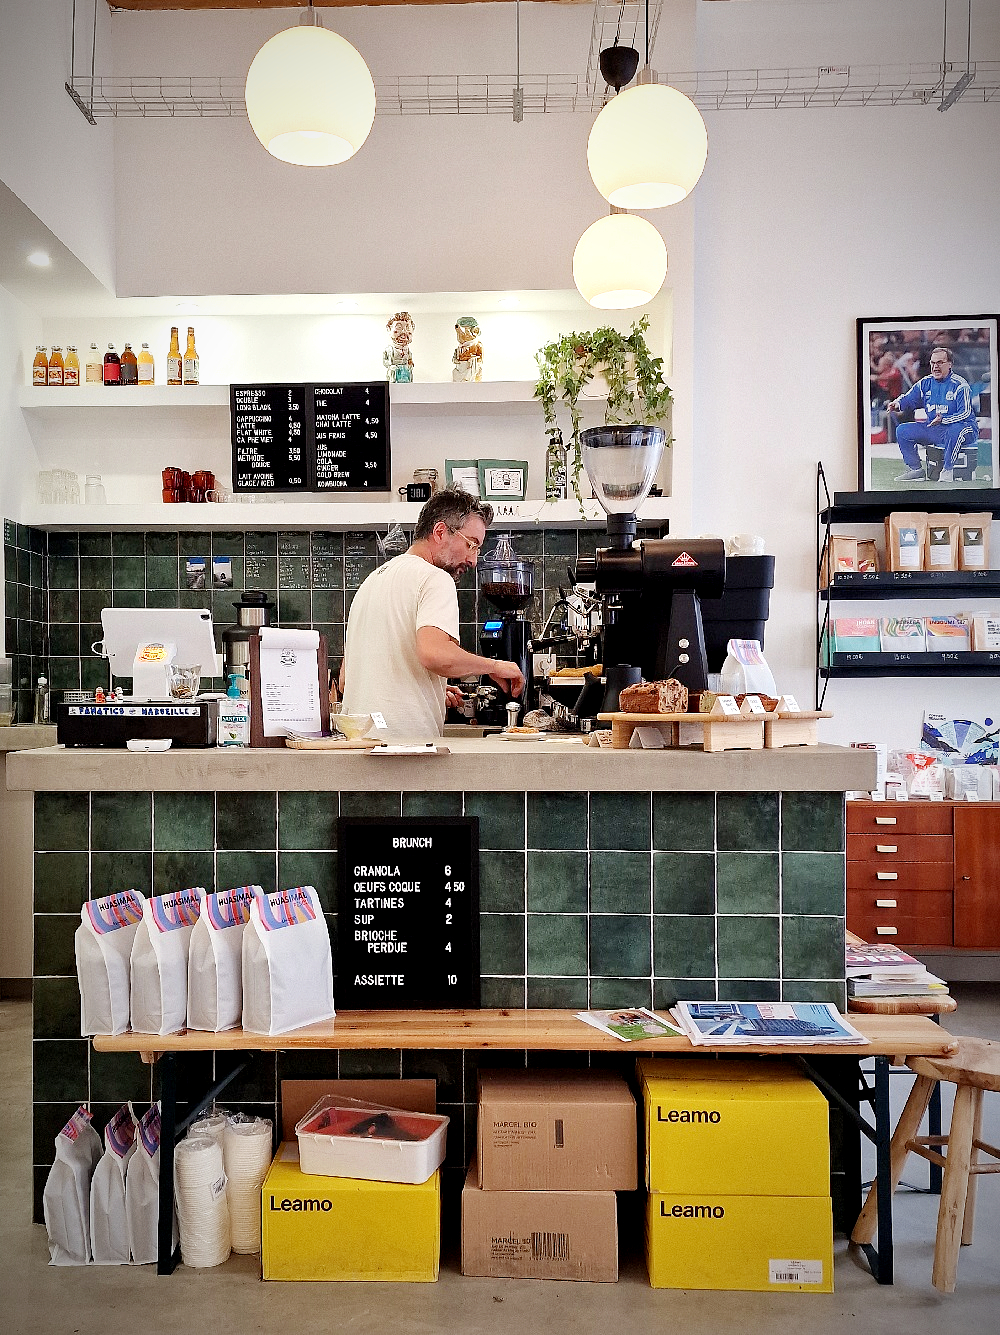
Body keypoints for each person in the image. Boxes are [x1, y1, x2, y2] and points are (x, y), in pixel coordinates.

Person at [340, 487, 525, 738]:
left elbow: (346, 680)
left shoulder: (371, 582)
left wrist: (430, 687)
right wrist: (493, 666)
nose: (473, 560)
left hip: (360, 747)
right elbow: (434, 654)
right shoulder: (434, 578)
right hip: (406, 751)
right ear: (440, 532)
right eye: (471, 544)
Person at [889, 345, 979, 483]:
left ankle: (947, 470)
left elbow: (966, 413)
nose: (935, 366)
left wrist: (944, 420)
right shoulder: (925, 383)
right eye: (933, 362)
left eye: (940, 363)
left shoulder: (960, 385)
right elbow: (909, 397)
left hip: (964, 428)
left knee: (954, 431)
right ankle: (916, 470)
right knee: (902, 430)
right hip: (935, 427)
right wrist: (897, 404)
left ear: (950, 364)